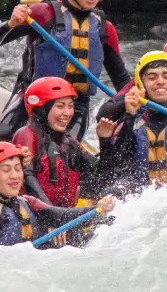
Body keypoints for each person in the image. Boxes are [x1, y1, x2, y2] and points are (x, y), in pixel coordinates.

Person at [0, 0, 132, 141]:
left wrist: (137, 98)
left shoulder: (104, 29)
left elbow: (121, 80)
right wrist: (10, 24)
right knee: (0, 135)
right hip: (34, 98)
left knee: (65, 151)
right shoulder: (43, 14)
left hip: (75, 106)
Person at [0, 142, 116, 252]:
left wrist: (98, 211)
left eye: (17, 169)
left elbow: (60, 215)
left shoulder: (25, 201)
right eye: (6, 170)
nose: (14, 176)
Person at [95, 51, 167, 198]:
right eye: (152, 77)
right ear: (140, 83)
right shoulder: (132, 118)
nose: (161, 81)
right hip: (139, 199)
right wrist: (129, 116)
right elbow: (116, 167)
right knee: (112, 192)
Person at [11, 77, 108, 209]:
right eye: (60, 106)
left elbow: (102, 174)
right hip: (35, 214)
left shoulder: (69, 142)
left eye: (70, 106)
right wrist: (53, 214)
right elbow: (27, 178)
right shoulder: (26, 134)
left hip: (62, 215)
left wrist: (105, 140)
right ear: (42, 109)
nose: (67, 113)